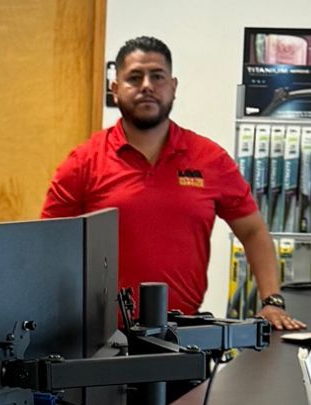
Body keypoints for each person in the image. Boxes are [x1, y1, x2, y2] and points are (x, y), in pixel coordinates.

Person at [41, 37, 293, 331]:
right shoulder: (83, 162)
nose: (147, 85)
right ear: (115, 89)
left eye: (157, 76)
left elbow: (253, 231)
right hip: (98, 338)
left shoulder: (210, 159)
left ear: (173, 87)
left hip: (183, 336)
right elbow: (47, 242)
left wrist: (272, 301)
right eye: (134, 77)